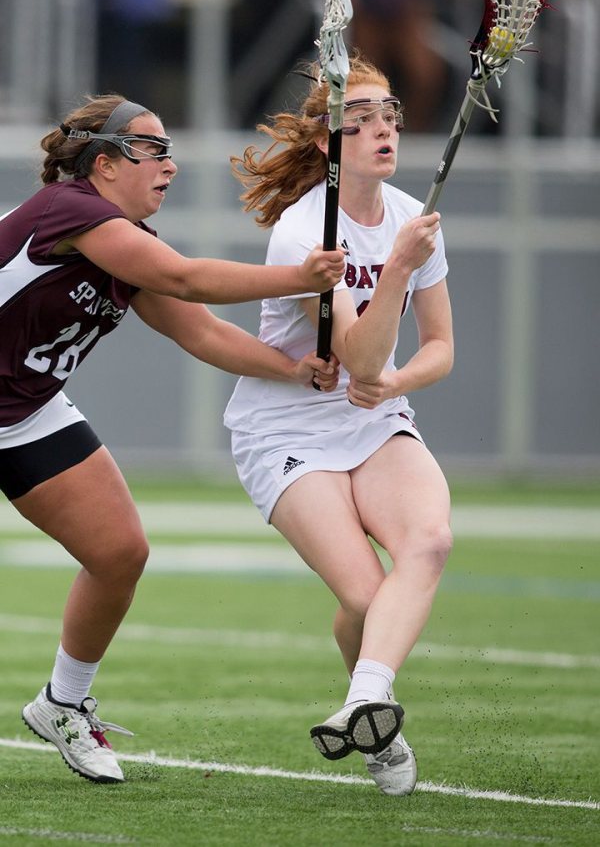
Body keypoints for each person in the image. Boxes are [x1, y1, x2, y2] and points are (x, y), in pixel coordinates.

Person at [2, 94, 344, 784]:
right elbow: (186, 278)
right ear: (103, 164)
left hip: (24, 413)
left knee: (120, 551)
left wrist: (295, 370)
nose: (170, 167)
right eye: (152, 151)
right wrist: (298, 278)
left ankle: (63, 703)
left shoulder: (127, 245)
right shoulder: (71, 209)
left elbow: (200, 330)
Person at [224, 54, 454, 797]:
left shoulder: (411, 220)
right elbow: (355, 355)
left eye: (390, 118)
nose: (383, 132)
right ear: (331, 143)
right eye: (363, 123)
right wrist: (392, 275)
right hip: (287, 428)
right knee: (364, 594)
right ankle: (382, 727)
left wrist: (397, 382)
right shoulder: (302, 235)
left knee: (430, 542)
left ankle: (366, 701)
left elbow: (439, 350)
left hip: (373, 414)